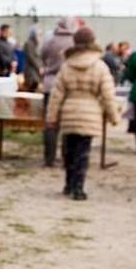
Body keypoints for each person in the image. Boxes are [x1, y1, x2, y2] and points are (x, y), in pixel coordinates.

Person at [45, 27, 120, 201]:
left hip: (69, 112)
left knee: (69, 150)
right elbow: (108, 95)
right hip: (90, 113)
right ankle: (78, 188)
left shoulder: (66, 66)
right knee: (83, 153)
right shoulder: (100, 67)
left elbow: (56, 95)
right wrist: (114, 116)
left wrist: (51, 117)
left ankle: (68, 184)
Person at [40, 17, 77, 167]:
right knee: (67, 123)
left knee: (50, 122)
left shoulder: (50, 40)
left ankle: (49, 158)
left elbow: (42, 56)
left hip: (50, 84)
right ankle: (66, 157)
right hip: (69, 85)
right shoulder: (75, 42)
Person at [23, 25, 43, 92]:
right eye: (38, 34)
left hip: (36, 70)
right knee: (32, 88)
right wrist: (39, 67)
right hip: (31, 70)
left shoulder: (37, 44)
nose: (40, 36)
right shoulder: (28, 43)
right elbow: (31, 57)